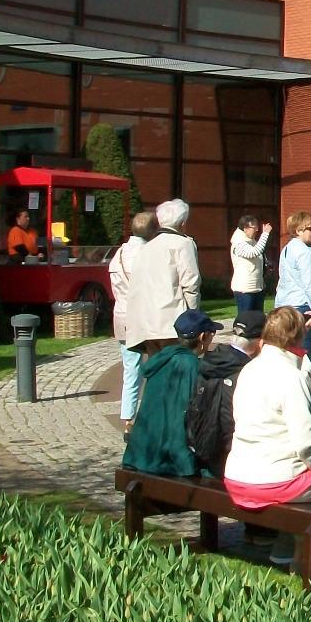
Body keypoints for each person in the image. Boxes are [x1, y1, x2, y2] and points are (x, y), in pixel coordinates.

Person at [221, 306, 311, 564]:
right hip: (275, 482)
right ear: (298, 337)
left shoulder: (249, 369)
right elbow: (305, 442)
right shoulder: (292, 377)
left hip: (238, 476)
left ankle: (284, 549)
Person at [121, 308, 218, 477]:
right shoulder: (190, 365)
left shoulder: (163, 358)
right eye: (212, 334)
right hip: (166, 460)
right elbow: (186, 417)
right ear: (203, 336)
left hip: (140, 453)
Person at [187, 307, 259, 478]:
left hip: (203, 452)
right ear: (260, 342)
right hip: (233, 461)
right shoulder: (246, 372)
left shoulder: (209, 362)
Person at [123, 198, 202, 354]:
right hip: (172, 321)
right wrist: (193, 318)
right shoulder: (183, 243)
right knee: (175, 364)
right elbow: (190, 283)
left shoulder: (146, 247)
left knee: (156, 365)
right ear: (183, 223)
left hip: (144, 322)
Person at [109, 208, 157, 432]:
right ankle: (151, 415)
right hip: (145, 317)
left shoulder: (118, 253)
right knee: (156, 365)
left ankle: (128, 419)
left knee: (131, 369)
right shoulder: (148, 254)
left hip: (122, 314)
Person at [273, 212, 311, 316]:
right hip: (301, 305)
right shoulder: (305, 252)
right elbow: (310, 284)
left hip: (284, 303)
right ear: (299, 231)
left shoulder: (287, 248)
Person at [229, 214, 273, 316]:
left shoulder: (252, 241)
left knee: (258, 319)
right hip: (245, 289)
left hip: (257, 287)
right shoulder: (238, 243)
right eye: (254, 228)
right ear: (245, 228)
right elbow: (253, 252)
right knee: (246, 319)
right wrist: (265, 234)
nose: (257, 230)